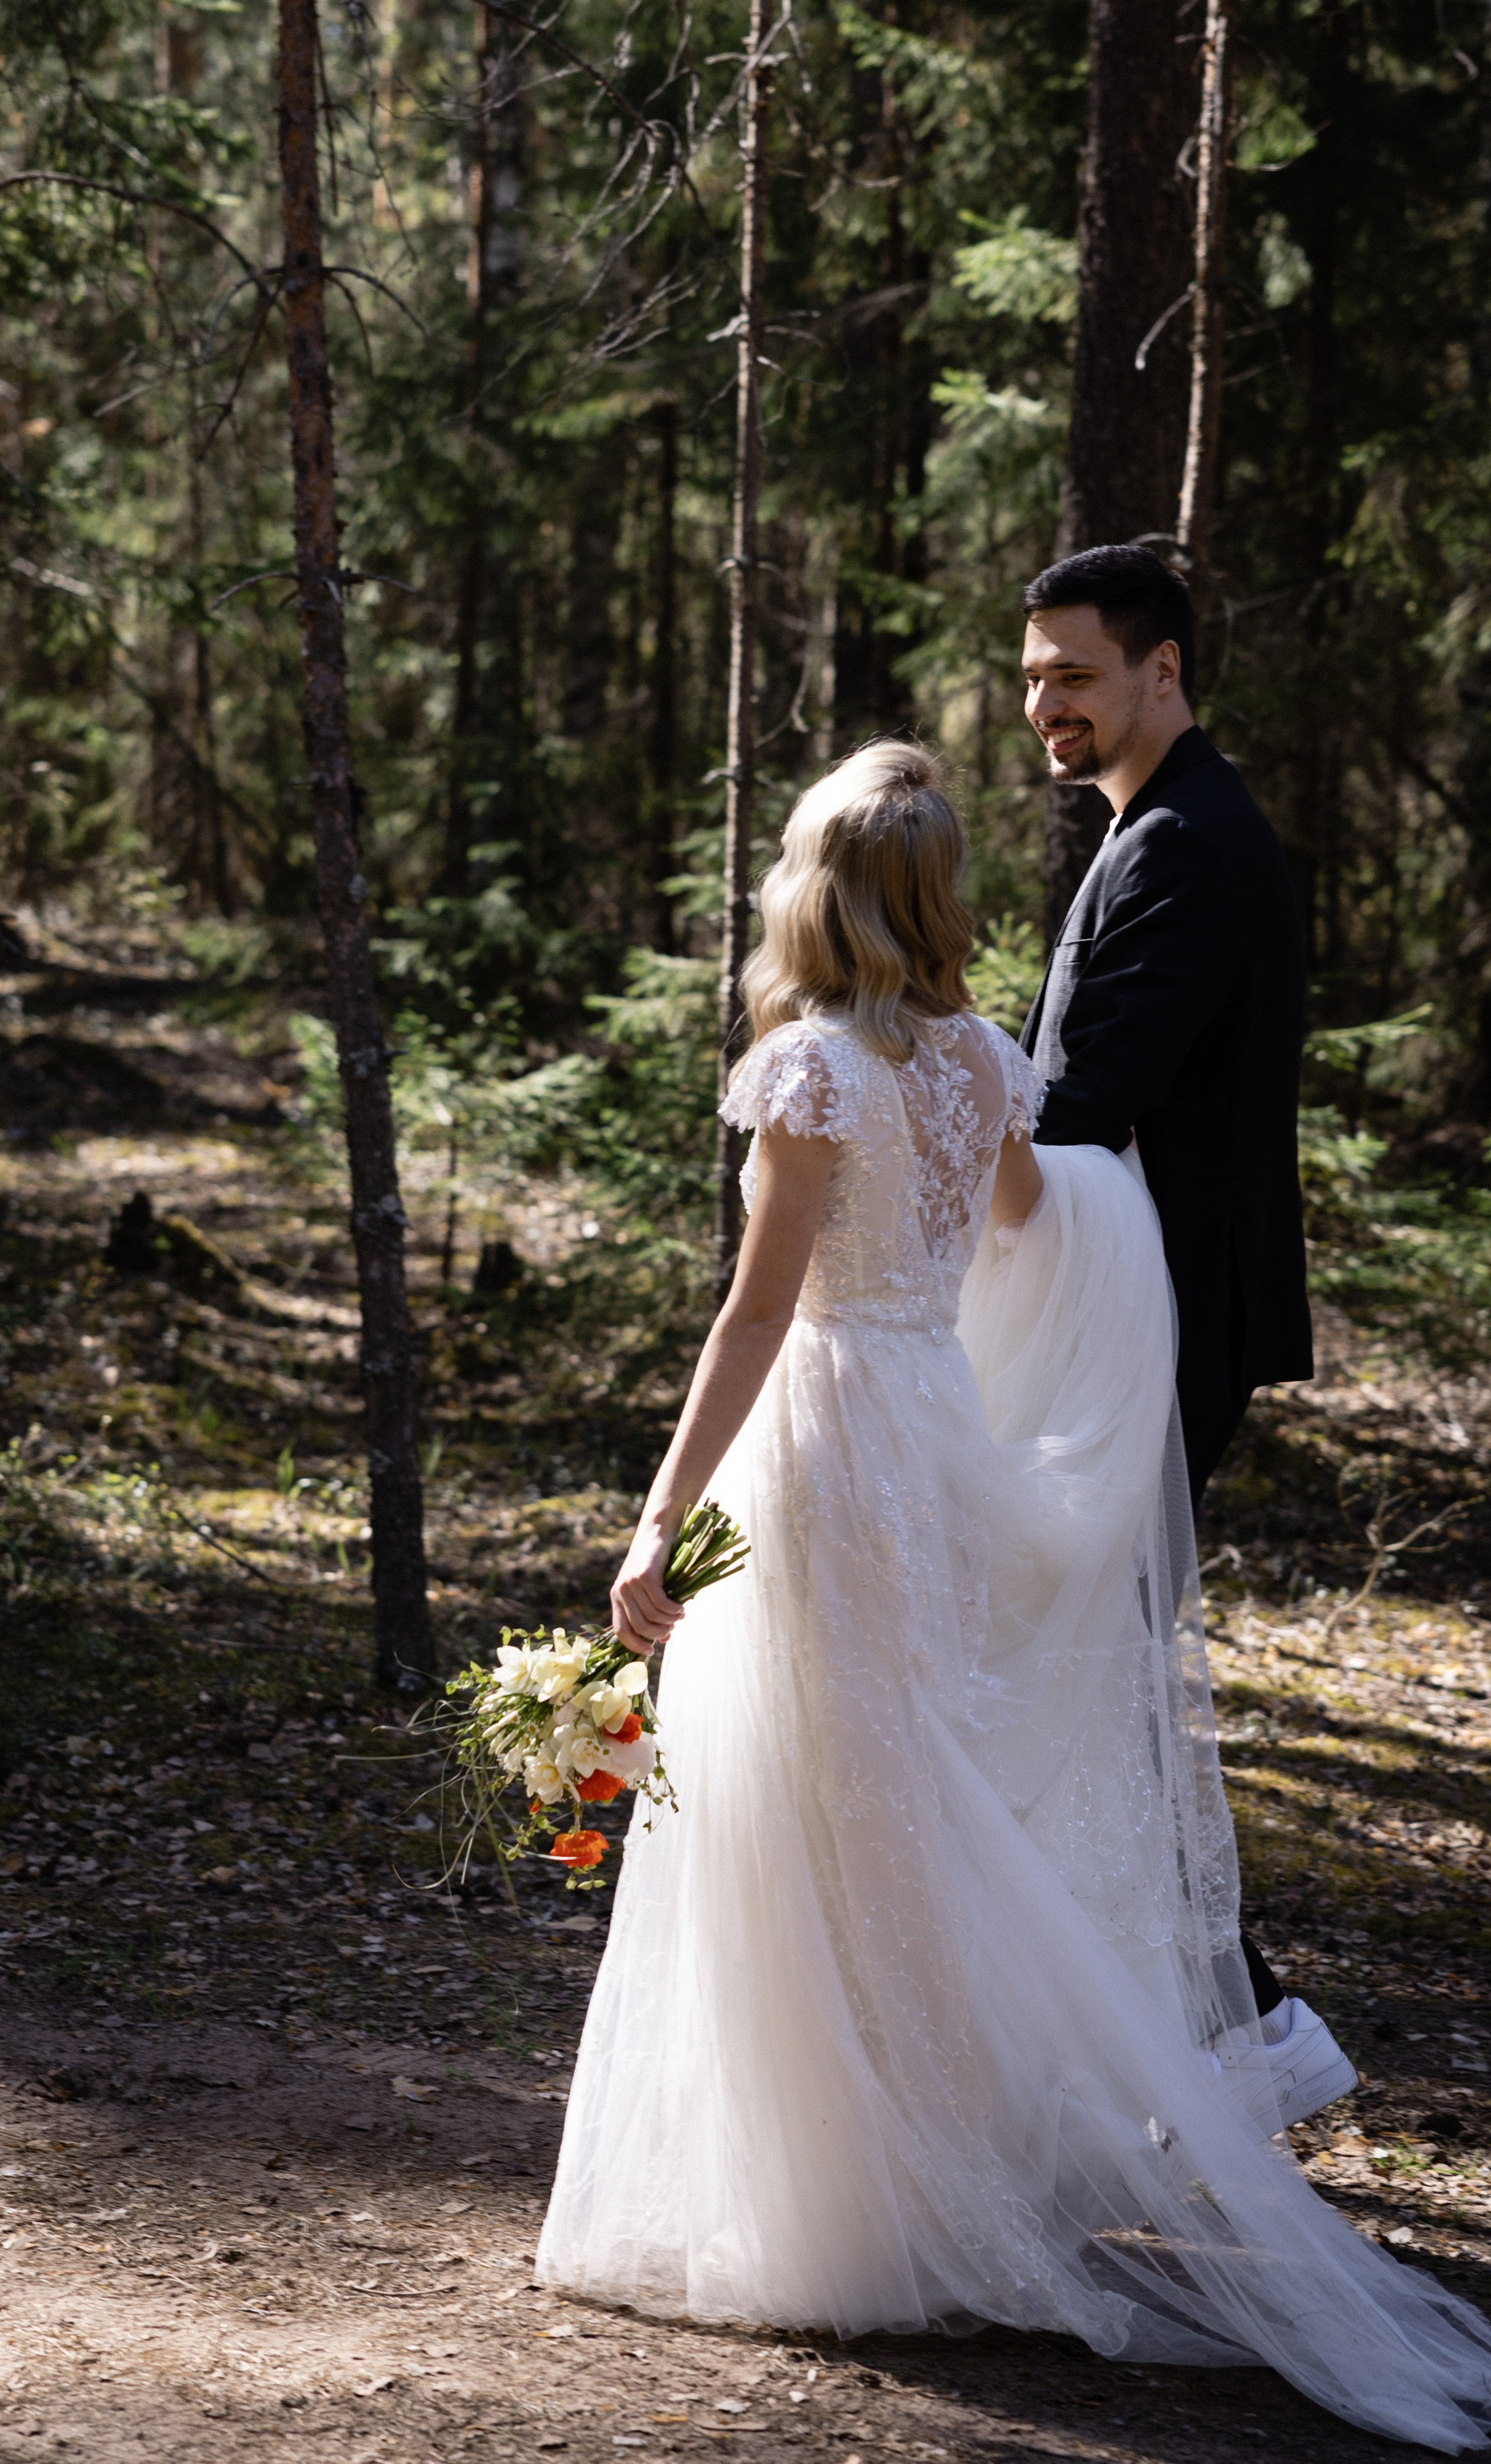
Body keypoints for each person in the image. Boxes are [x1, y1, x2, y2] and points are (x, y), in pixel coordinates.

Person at [537, 741, 1491, 2449]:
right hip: (935, 1428)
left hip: (826, 1438)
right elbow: (1040, 1220)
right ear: (938, 894)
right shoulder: (983, 1064)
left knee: (804, 1802)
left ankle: (842, 2201)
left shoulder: (808, 1070)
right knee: (906, 1791)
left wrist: (656, 1517)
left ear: (816, 892)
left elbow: (757, 1318)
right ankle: (932, 2165)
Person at [1017, 542, 1353, 2125]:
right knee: (1066, 1680)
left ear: (1161, 668)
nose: (1045, 704)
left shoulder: (1187, 843)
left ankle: (1243, 2027)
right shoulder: (1151, 828)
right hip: (1124, 1315)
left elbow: (1090, 1104)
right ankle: (1158, 2035)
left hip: (1155, 1330)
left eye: (1074, 674)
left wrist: (915, 1091)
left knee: (1073, 1682)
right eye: (1031, 676)